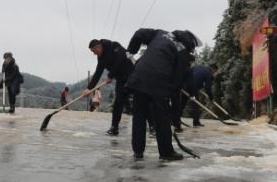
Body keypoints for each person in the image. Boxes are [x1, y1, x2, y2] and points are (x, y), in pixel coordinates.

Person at [126, 28, 201, 160]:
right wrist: (170, 96)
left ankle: (138, 151)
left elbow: (139, 33)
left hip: (139, 77)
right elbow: (177, 79)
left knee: (139, 116)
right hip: (159, 82)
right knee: (162, 119)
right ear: (190, 43)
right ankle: (166, 152)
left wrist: (131, 51)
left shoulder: (160, 34)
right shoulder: (183, 52)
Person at [82, 39, 134, 136]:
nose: (94, 54)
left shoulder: (114, 46)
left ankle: (152, 125)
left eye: (94, 51)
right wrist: (89, 88)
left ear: (99, 47)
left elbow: (121, 58)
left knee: (142, 100)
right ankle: (114, 128)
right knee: (118, 103)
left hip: (132, 75)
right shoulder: (100, 58)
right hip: (121, 80)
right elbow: (98, 72)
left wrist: (110, 75)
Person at [174, 63, 219, 130]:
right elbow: (208, 87)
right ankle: (196, 122)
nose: (214, 73)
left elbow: (189, 74)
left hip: (185, 85)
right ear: (213, 69)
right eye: (215, 72)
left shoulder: (198, 66)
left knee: (182, 104)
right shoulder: (209, 73)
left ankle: (176, 119)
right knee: (195, 104)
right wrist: (211, 98)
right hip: (193, 88)